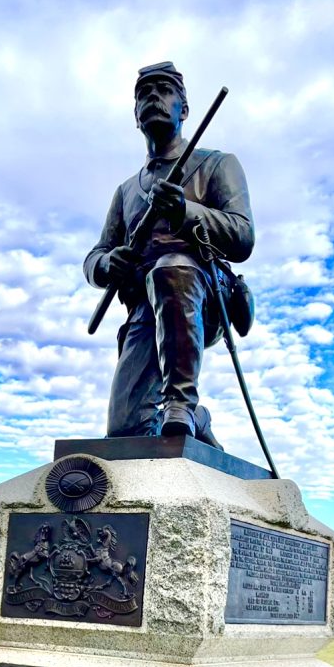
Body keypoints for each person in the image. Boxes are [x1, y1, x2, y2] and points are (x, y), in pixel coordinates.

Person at [84, 62, 254, 443]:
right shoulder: (127, 191)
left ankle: (181, 403)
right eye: (144, 94)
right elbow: (95, 256)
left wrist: (184, 212)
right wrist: (108, 264)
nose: (153, 98)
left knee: (170, 267)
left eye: (164, 91)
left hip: (202, 296)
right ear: (136, 116)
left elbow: (243, 236)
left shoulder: (215, 164)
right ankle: (198, 421)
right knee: (125, 430)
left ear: (184, 109)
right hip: (147, 305)